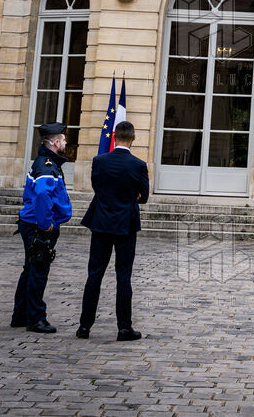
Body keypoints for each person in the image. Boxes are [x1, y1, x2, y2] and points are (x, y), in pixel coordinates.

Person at [77, 120, 149, 342]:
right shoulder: (138, 165)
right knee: (123, 276)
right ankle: (124, 328)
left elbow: (97, 188)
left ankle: (84, 326)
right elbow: (144, 196)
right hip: (125, 224)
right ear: (133, 138)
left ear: (114, 137)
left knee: (94, 274)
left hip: (101, 222)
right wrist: (133, 195)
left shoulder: (99, 161)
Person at [11, 122, 73, 333]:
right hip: (39, 227)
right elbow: (42, 194)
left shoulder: (46, 162)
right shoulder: (47, 165)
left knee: (30, 269)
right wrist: (46, 224)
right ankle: (36, 318)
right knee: (38, 271)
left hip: (32, 224)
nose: (65, 143)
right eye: (63, 140)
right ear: (55, 143)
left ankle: (20, 315)